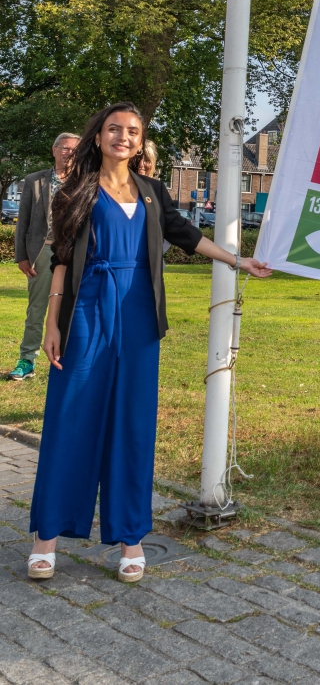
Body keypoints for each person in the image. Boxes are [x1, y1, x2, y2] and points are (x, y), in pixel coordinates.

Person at [28, 103, 271, 583]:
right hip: (87, 311)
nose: (123, 137)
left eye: (133, 131)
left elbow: (187, 238)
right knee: (70, 418)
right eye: (114, 129)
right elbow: (59, 260)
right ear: (98, 136)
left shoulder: (153, 191)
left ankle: (131, 537)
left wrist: (237, 261)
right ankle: (46, 539)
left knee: (132, 426)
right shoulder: (76, 190)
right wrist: (52, 324)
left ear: (141, 141)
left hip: (139, 316)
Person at [7, 132, 80, 381]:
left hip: (73, 253)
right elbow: (23, 222)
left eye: (74, 150)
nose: (69, 153)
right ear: (54, 150)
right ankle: (27, 360)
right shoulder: (33, 180)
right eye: (65, 148)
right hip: (42, 251)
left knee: (72, 309)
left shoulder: (85, 181)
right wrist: (21, 257)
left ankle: (66, 361)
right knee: (37, 308)